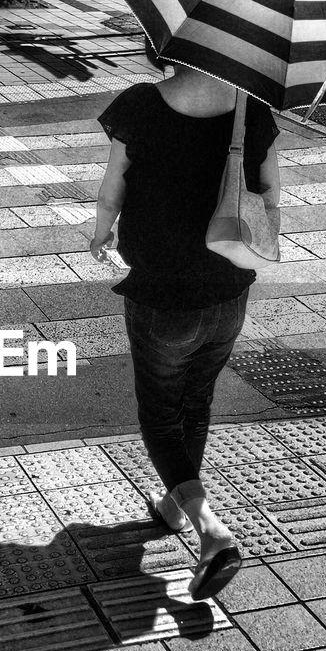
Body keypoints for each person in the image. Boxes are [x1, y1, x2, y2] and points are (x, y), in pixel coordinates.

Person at [90, 50, 280, 599]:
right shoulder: (255, 108)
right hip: (227, 291)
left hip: (162, 294)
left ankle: (211, 532)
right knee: (196, 402)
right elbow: (269, 196)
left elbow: (113, 188)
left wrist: (102, 232)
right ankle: (176, 505)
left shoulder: (140, 106)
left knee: (159, 413)